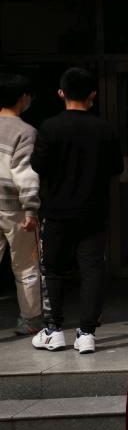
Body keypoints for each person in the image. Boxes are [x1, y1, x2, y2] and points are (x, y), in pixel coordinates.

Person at [30, 68, 123, 353]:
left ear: (61, 93)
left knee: (52, 270)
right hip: (93, 212)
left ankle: (54, 330)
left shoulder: (50, 128)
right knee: (93, 270)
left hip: (57, 212)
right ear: (93, 94)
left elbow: (37, 165)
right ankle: (86, 334)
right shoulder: (105, 129)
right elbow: (117, 168)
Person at [0, 73, 42, 336]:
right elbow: (25, 174)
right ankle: (29, 320)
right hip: (15, 209)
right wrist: (31, 209)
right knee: (26, 266)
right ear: (23, 98)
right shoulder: (26, 132)